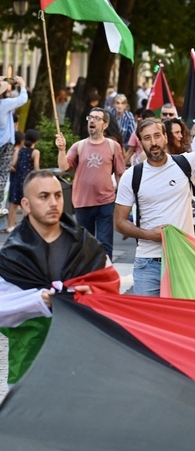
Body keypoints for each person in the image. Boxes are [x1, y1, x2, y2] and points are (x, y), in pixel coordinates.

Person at [114, 91, 195, 296]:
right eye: (147, 138)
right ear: (140, 142)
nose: (153, 142)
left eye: (157, 136)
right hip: (148, 263)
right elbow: (119, 222)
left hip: (183, 259)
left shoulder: (186, 163)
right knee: (148, 323)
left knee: (181, 322)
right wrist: (148, 234)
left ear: (166, 137)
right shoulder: (132, 176)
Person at [0, 170, 115, 386]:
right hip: (28, 364)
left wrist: (90, 296)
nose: (53, 202)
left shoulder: (86, 246)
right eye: (44, 196)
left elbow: (110, 288)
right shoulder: (11, 255)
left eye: (58, 195)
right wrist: (38, 301)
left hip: (82, 363)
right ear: (26, 204)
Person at [56, 108, 126, 259]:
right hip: (82, 202)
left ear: (105, 125)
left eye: (96, 118)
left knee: (104, 243)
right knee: (84, 244)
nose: (92, 121)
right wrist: (61, 149)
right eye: (90, 117)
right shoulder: (78, 146)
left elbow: (120, 174)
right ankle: (87, 275)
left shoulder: (113, 146)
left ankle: (105, 277)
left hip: (106, 202)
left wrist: (122, 202)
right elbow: (63, 167)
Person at [0, 76, 28, 217]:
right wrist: (22, 84)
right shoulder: (5, 103)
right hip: (5, 142)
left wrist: (3, 78)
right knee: (3, 172)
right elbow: (22, 99)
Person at [7, 129, 40, 232]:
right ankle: (24, 226)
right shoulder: (35, 152)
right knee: (26, 203)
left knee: (13, 204)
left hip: (17, 179)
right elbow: (36, 167)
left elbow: (13, 164)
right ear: (36, 141)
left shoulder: (19, 150)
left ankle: (10, 226)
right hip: (28, 181)